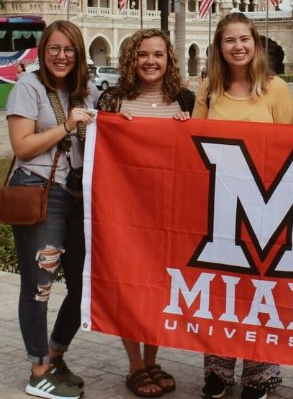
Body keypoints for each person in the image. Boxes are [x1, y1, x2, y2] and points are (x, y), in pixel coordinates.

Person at [192, 12, 293, 399]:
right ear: (219, 48)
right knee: (219, 290)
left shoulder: (275, 90)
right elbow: (192, 143)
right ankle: (219, 372)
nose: (238, 46)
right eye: (229, 40)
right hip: (220, 205)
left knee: (261, 291)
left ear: (256, 44)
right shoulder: (208, 90)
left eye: (244, 39)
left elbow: (291, 148)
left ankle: (261, 376)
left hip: (266, 205)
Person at [97, 28, 194, 399]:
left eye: (158, 54)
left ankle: (153, 358)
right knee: (128, 287)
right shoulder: (112, 100)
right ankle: (135, 365)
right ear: (131, 59)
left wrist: (191, 131)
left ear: (168, 60)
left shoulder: (184, 100)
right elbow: (97, 155)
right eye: (142, 54)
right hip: (125, 214)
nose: (150, 61)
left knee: (159, 288)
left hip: (169, 213)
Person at [6, 20, 98, 399]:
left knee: (84, 284)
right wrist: (66, 125)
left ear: (79, 54)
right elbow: (22, 146)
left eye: (69, 49)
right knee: (39, 287)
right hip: (39, 190)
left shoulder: (86, 92)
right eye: (54, 49)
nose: (62, 56)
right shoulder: (29, 87)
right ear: (43, 52)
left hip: (77, 196)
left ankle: (56, 354)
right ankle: (38, 370)